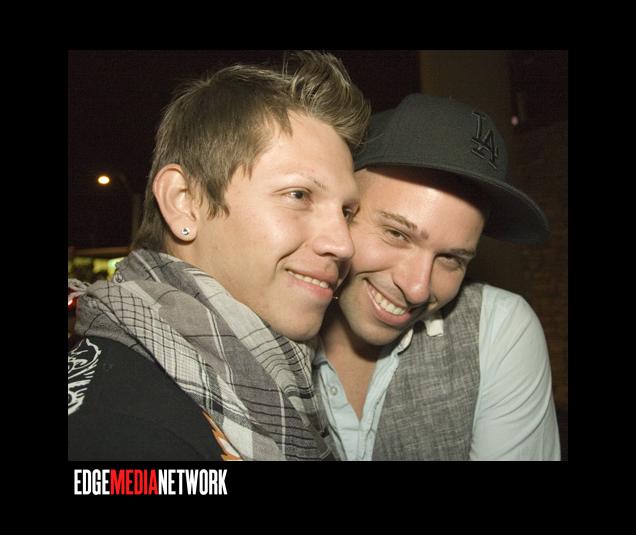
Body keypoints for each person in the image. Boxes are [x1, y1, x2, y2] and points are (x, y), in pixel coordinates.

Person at [68, 51, 370, 461]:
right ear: (184, 202)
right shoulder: (118, 431)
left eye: (346, 212)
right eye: (299, 195)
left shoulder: (273, 382)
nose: (344, 244)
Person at [315, 93, 561, 460]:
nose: (417, 289)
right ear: (341, 208)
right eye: (397, 233)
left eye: (450, 258)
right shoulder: (263, 318)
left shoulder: (495, 329)